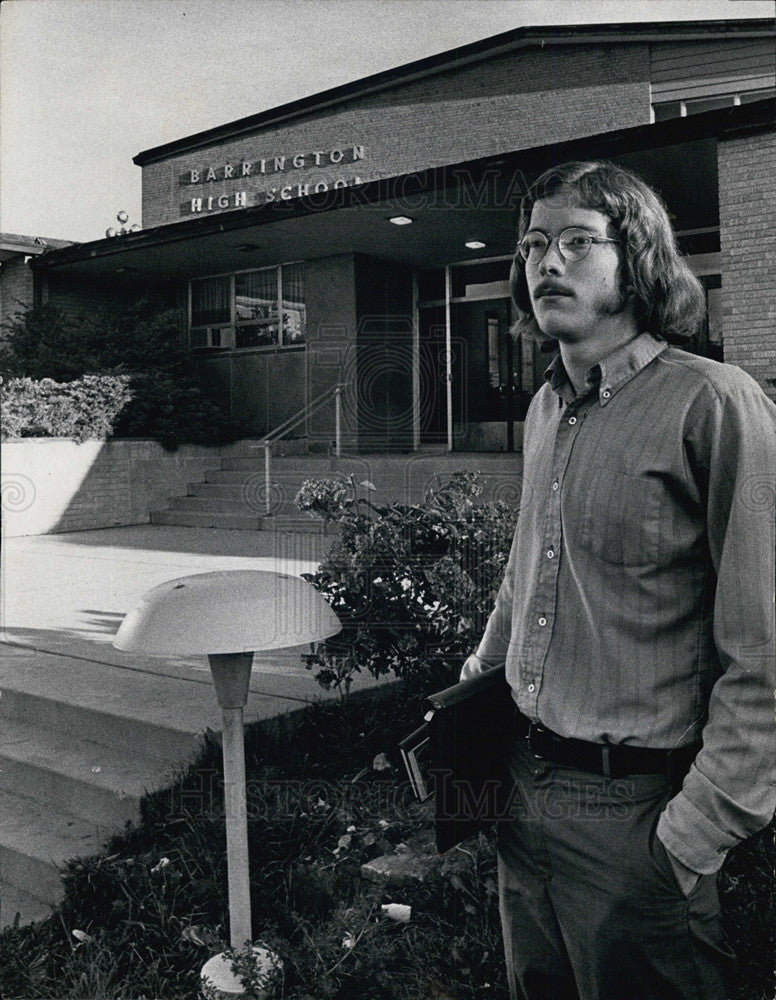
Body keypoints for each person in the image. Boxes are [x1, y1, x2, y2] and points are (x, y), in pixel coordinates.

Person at [460, 160, 776, 1000]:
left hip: (637, 816)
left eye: (575, 242)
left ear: (636, 259)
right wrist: (479, 681)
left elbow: (768, 642)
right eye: (532, 244)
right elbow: (526, 567)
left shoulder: (714, 403)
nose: (545, 263)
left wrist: (698, 827)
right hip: (521, 794)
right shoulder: (545, 407)